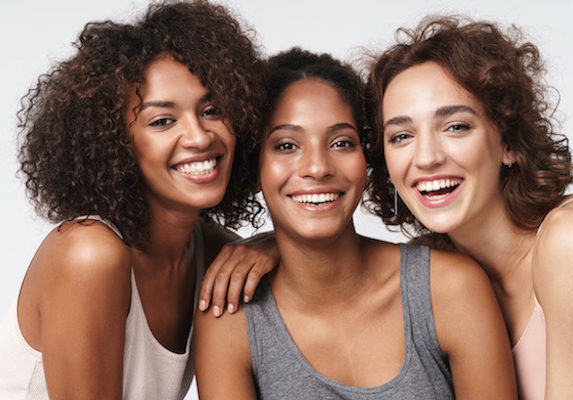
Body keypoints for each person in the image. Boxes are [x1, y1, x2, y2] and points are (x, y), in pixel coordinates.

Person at [194, 48, 517, 399]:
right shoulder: (230, 317)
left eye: (341, 142)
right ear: (253, 168)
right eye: (287, 145)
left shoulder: (451, 289)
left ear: (367, 160)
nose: (317, 167)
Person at [0, 1, 278, 399]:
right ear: (115, 143)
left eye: (212, 110)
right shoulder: (90, 254)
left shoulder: (215, 253)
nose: (199, 137)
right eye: (163, 121)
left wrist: (278, 245)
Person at [365, 16, 573, 400]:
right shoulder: (434, 275)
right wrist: (272, 246)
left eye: (456, 127)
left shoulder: (567, 240)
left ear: (508, 143)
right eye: (401, 136)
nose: (426, 158)